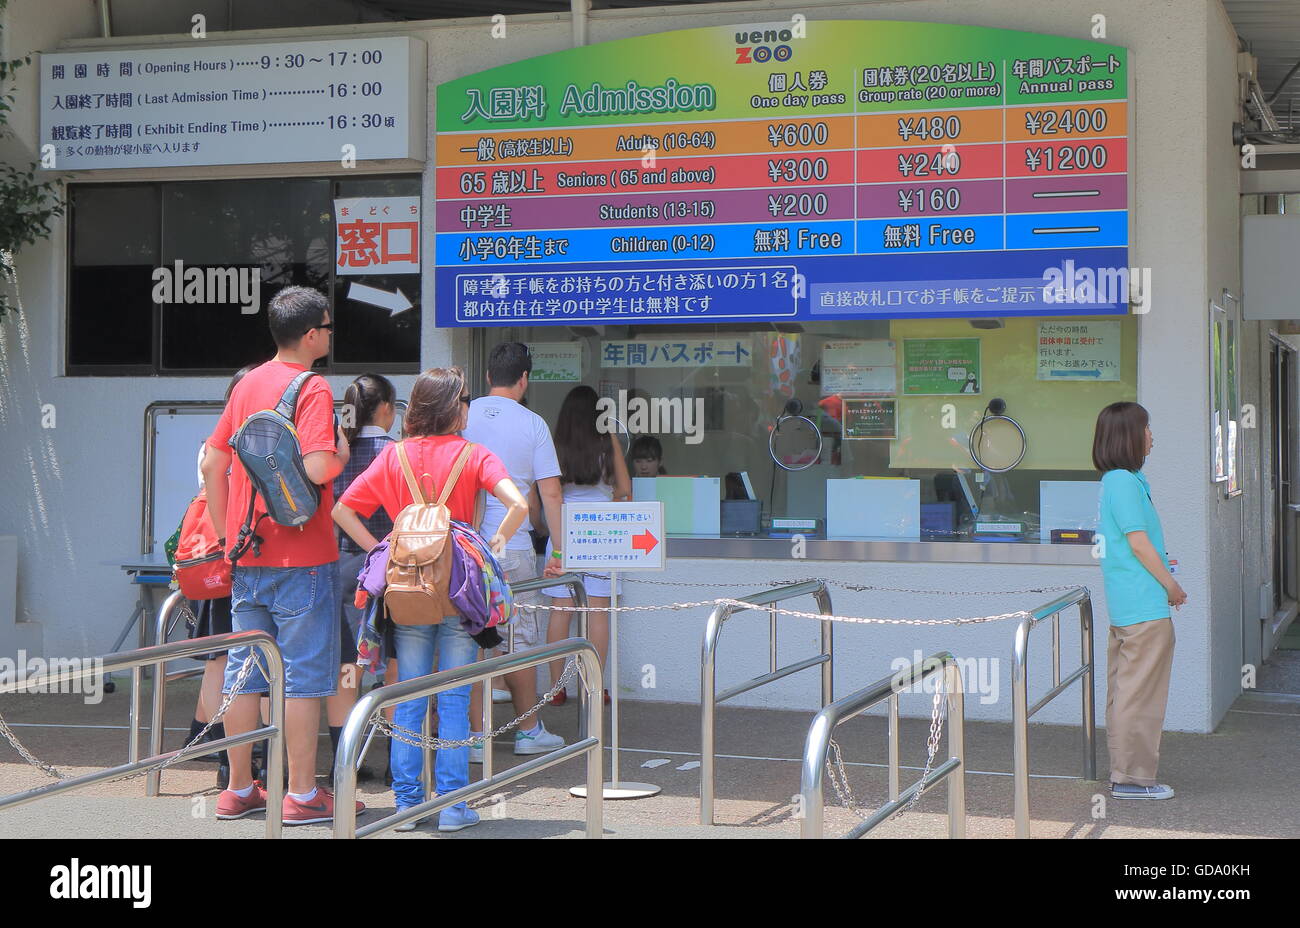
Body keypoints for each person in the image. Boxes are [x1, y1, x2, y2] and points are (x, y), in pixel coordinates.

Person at [334, 367, 527, 832]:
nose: (468, 406)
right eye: (464, 399)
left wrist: (380, 551)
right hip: (460, 589)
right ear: (451, 406)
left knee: (407, 697)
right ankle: (453, 808)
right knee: (456, 700)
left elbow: (343, 510)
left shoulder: (394, 456)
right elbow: (518, 505)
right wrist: (492, 546)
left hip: (408, 588)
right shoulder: (474, 454)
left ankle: (405, 807)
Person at [203, 285, 363, 826]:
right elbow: (319, 469)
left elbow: (211, 462)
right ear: (313, 333)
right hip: (304, 556)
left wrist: (228, 535)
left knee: (245, 673)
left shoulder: (247, 383)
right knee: (301, 679)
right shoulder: (312, 386)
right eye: (328, 327)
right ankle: (299, 794)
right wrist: (341, 447)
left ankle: (239, 788)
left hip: (247, 555)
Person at [462, 342, 567, 761]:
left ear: (489, 376)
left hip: (468, 548)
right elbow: (552, 493)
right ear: (524, 380)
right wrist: (558, 550)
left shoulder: (461, 417)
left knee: (470, 643)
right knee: (519, 641)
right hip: (514, 547)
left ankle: (473, 737)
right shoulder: (534, 423)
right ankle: (527, 730)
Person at [1092, 401, 1187, 801]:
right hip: (1145, 608)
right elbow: (1137, 541)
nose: (1151, 435)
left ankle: (1124, 774)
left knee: (1126, 692)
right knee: (1141, 697)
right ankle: (1131, 780)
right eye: (1146, 428)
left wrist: (1162, 562)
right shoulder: (1125, 482)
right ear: (1130, 436)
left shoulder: (1116, 481)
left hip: (1127, 605)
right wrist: (1172, 586)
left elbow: (1129, 545)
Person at [184, 363, 256, 791]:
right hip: (233, 560)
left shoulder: (211, 443)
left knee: (220, 658)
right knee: (234, 659)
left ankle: (201, 734)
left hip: (210, 564)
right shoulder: (240, 444)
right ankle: (224, 741)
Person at [539, 385, 631, 703]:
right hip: (601, 532)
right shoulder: (608, 441)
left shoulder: (556, 444)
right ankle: (593, 686)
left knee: (560, 612)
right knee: (597, 613)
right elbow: (625, 490)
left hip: (564, 531)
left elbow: (549, 492)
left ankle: (555, 688)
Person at [329, 373, 398, 783]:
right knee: (391, 661)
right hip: (386, 566)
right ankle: (396, 761)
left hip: (338, 563)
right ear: (387, 408)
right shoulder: (395, 452)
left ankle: (345, 761)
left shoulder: (337, 452)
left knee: (346, 664)